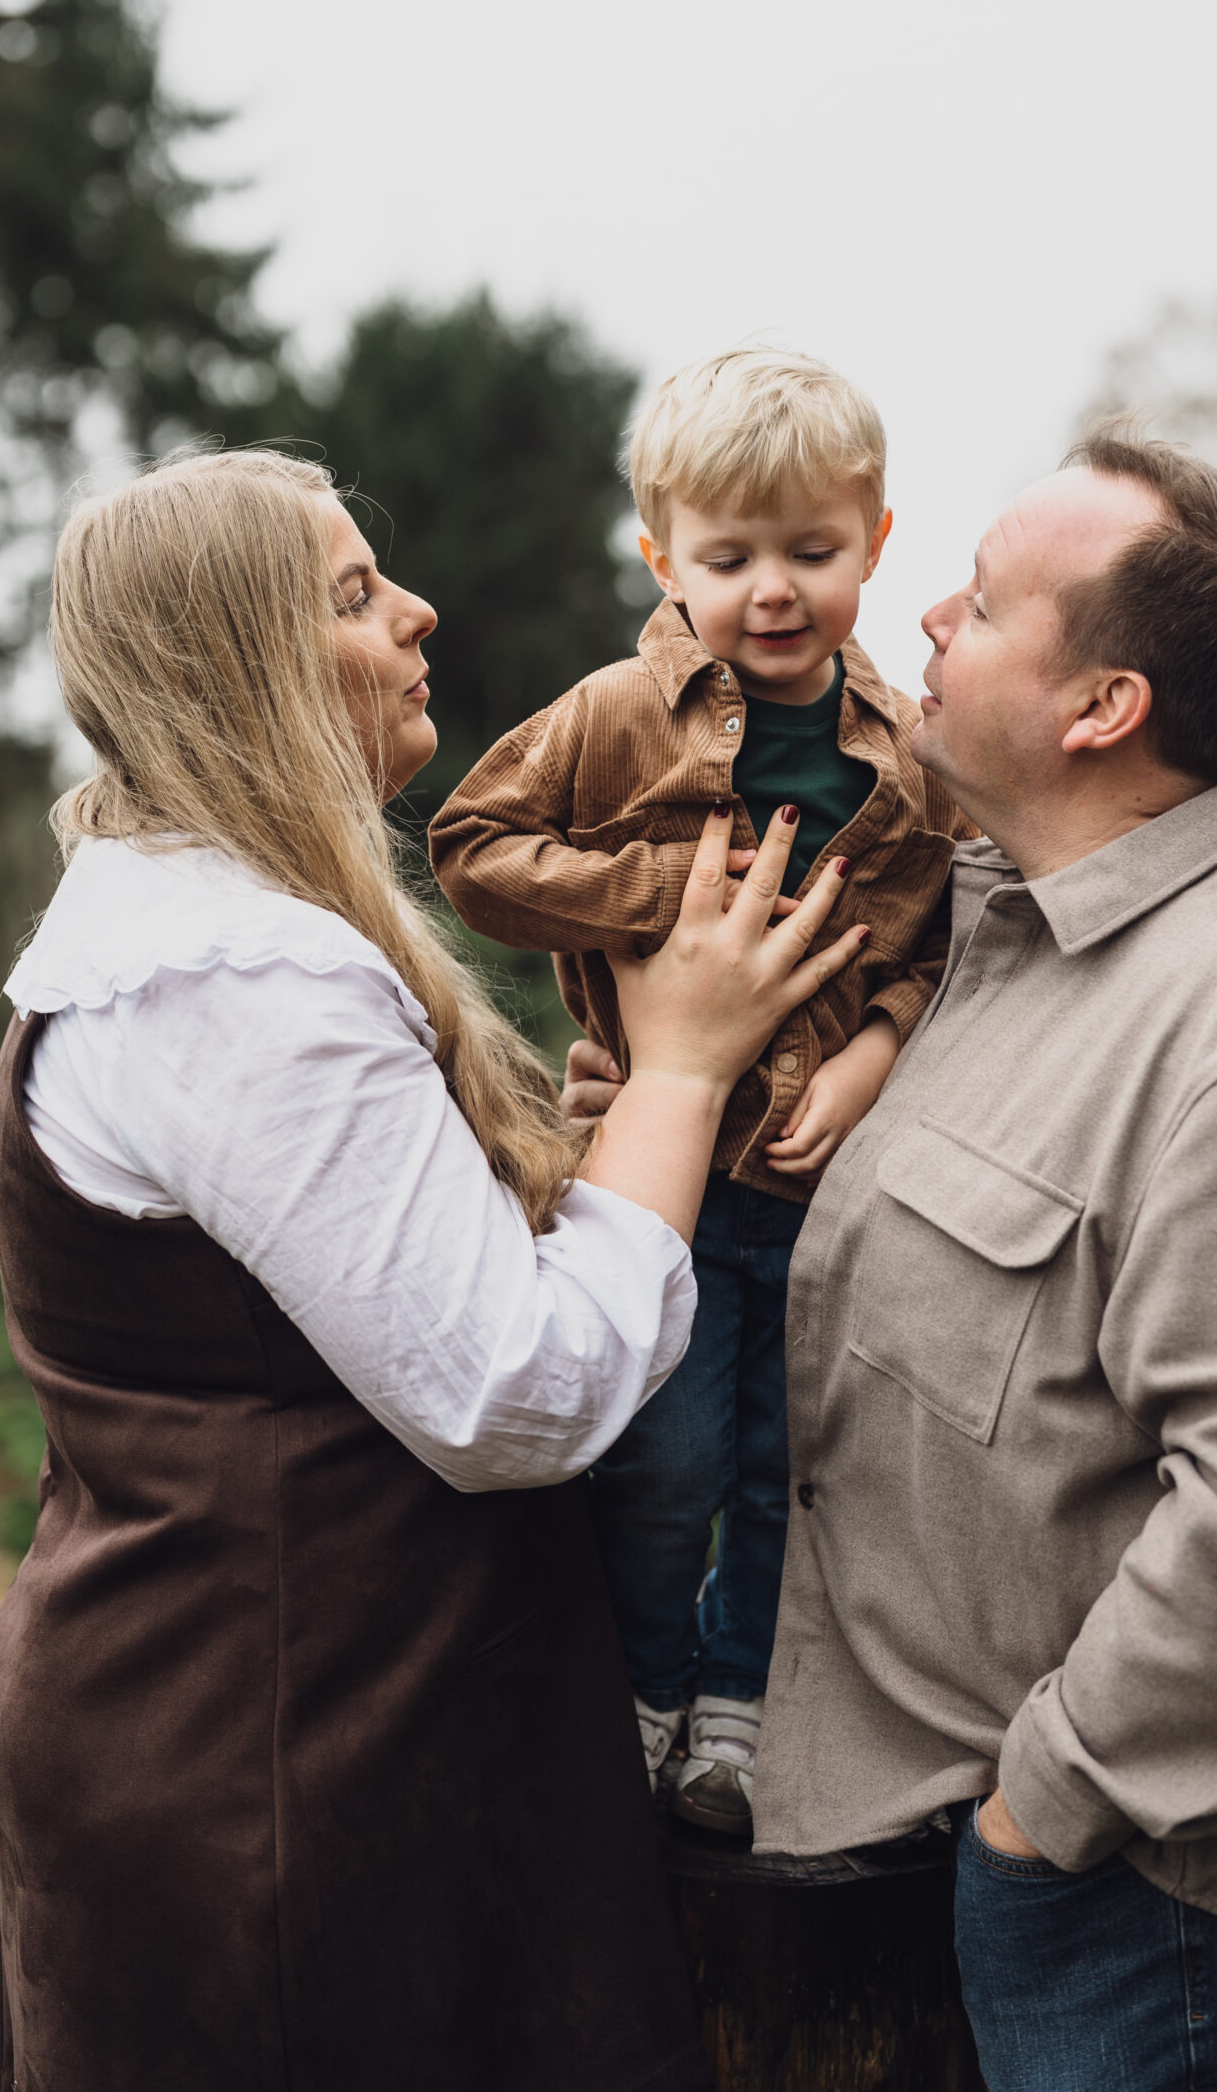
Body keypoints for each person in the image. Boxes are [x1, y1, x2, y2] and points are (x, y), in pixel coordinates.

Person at [0, 446, 866, 2092]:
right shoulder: (234, 984)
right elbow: (510, 1392)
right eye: (354, 593)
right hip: (281, 1769)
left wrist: (583, 1168)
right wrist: (680, 1076)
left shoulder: (200, 932)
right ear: (245, 662)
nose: (418, 607)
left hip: (286, 1723)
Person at [572, 422, 1217, 2089]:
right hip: (948, 1862)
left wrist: (1041, 1816)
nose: (923, 614)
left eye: (990, 605)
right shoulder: (998, 923)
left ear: (1103, 709)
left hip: (1173, 1925)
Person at [431, 349, 969, 1835]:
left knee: (790, 1465)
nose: (774, 591)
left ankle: (739, 1716)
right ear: (665, 558)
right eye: (730, 559)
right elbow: (473, 845)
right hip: (660, 1166)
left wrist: (870, 1056)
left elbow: (936, 942)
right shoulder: (617, 714)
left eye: (812, 552)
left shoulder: (914, 752)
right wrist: (665, 895)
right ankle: (643, 1690)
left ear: (874, 540)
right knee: (666, 1458)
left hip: (824, 1184)